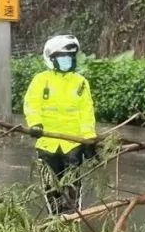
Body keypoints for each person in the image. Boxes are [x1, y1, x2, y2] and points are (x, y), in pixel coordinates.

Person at [23, 35, 97, 215]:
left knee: (72, 185)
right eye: (63, 57)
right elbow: (31, 104)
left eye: (70, 57)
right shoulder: (41, 80)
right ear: (52, 58)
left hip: (73, 145)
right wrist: (35, 124)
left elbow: (86, 112)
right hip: (47, 143)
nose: (67, 61)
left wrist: (89, 140)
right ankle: (55, 219)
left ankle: (72, 218)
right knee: (51, 186)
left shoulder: (80, 82)